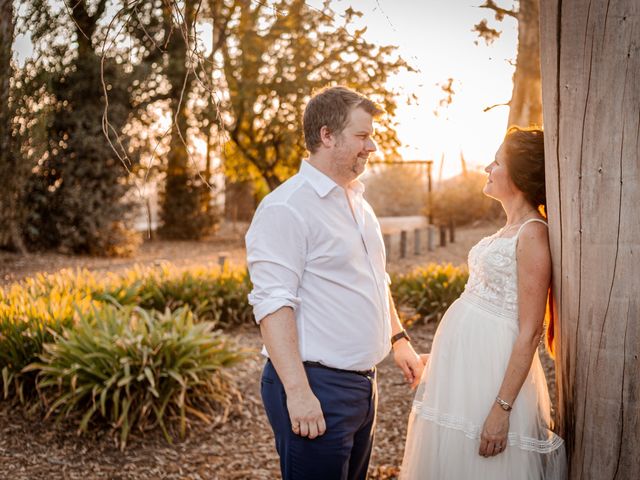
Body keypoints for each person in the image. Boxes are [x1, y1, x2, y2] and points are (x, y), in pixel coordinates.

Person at [245, 86, 425, 480]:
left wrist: (399, 340)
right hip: (316, 386)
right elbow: (273, 305)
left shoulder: (358, 202)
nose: (372, 146)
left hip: (363, 386)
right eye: (362, 136)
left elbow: (376, 280)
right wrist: (298, 393)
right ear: (327, 135)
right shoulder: (286, 207)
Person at [400, 127, 567, 479]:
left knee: (482, 464)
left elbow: (530, 330)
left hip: (494, 376)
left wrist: (501, 408)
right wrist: (446, 356)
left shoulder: (533, 233)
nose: (487, 168)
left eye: (496, 162)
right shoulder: (508, 229)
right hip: (467, 370)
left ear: (518, 176)